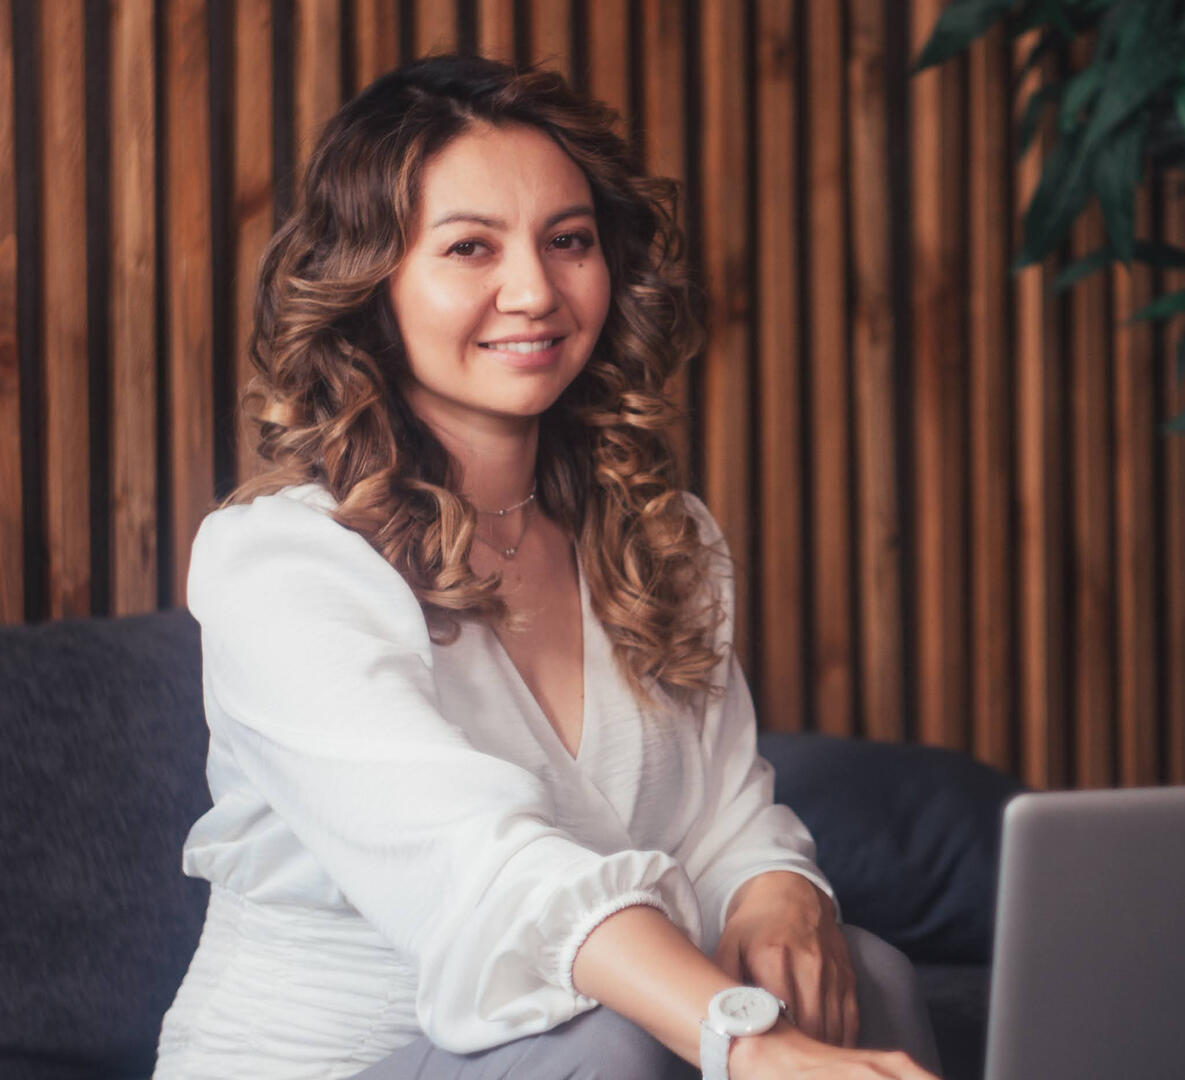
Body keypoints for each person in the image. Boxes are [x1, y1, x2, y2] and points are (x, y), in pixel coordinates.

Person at [152, 54, 941, 1080]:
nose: (533, 291)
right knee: (610, 1042)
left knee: (869, 974)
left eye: (568, 241)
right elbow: (480, 869)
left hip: (587, 1044)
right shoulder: (282, 566)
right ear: (372, 283)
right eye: (469, 247)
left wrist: (778, 894)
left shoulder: (663, 538)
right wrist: (746, 1039)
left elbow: (725, 820)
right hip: (331, 1063)